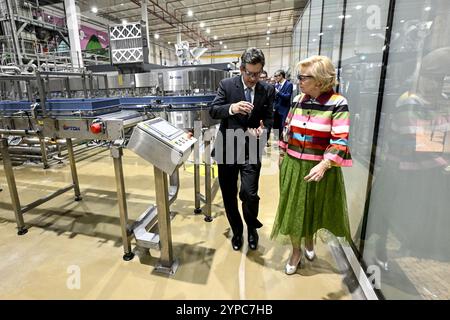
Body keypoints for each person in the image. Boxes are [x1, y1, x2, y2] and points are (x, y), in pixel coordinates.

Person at [270, 55, 352, 275]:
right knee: (294, 209)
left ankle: (309, 241)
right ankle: (296, 251)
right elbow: (287, 128)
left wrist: (325, 164)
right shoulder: (297, 100)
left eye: (303, 77)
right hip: (294, 164)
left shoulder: (337, 103)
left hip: (320, 168)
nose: (298, 81)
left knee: (313, 207)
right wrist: (281, 152)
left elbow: (340, 139)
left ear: (319, 80)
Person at [209, 47, 275, 251]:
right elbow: (213, 110)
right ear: (241, 69)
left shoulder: (267, 90)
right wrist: (232, 108)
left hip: (251, 149)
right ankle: (237, 232)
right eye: (249, 73)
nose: (253, 78)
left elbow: (271, 117)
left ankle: (252, 228)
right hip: (227, 147)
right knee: (229, 194)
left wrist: (264, 130)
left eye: (258, 74)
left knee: (249, 193)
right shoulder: (227, 85)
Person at [273, 70, 293, 140]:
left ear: (281, 76)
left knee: (282, 125)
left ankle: (283, 141)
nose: (275, 78)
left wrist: (278, 92)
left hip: (284, 109)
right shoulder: (277, 84)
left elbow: (287, 97)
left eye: (276, 76)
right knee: (275, 125)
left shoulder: (288, 84)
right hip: (276, 109)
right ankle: (276, 139)